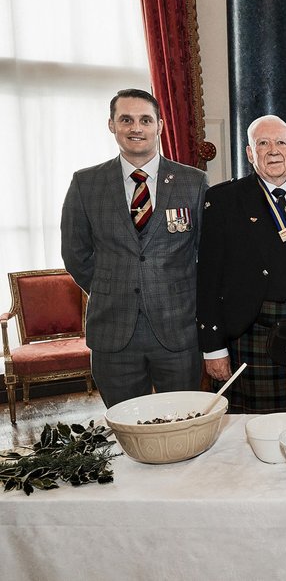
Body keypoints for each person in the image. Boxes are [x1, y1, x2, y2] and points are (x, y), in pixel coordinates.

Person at [61, 88, 208, 407]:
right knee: (126, 428)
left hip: (177, 331)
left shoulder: (193, 182)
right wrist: (112, 287)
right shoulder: (86, 183)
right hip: (113, 333)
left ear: (161, 125)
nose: (136, 128)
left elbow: (205, 254)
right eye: (126, 119)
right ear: (111, 125)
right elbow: (75, 254)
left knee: (183, 423)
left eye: (145, 119)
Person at [196, 115, 286, 413]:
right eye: (263, 143)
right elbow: (208, 277)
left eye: (281, 142)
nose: (273, 150)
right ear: (250, 153)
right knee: (253, 430)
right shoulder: (224, 200)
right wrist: (213, 347)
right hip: (252, 331)